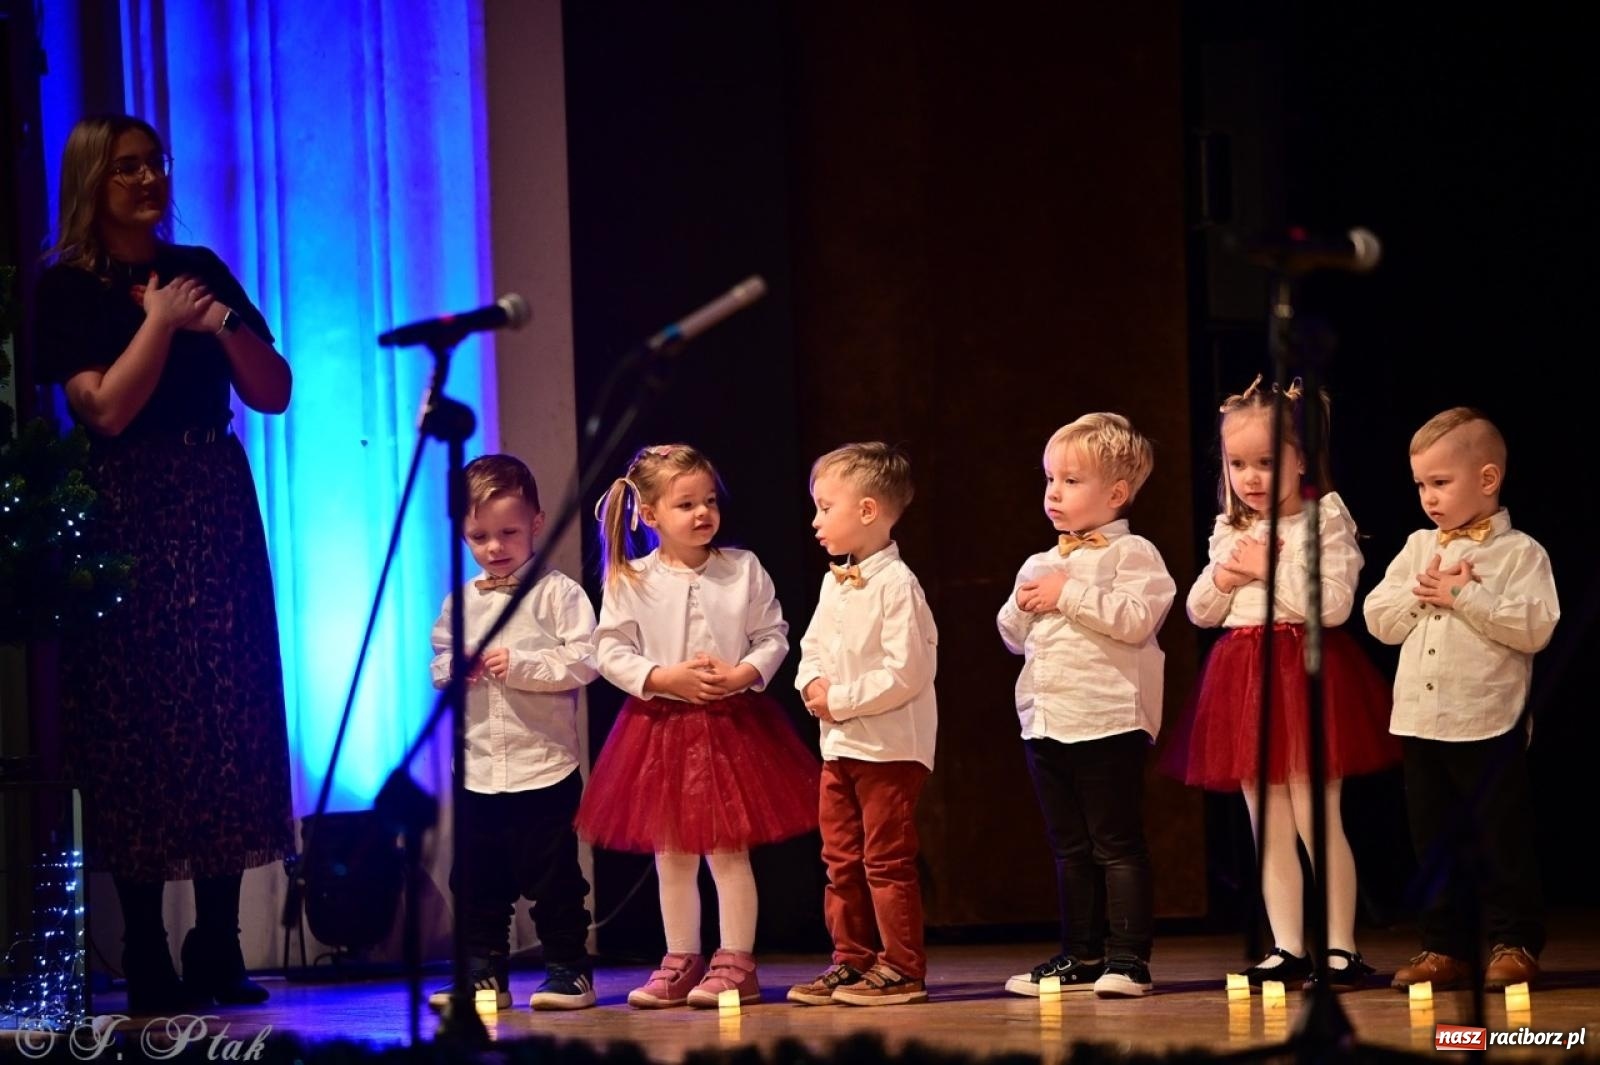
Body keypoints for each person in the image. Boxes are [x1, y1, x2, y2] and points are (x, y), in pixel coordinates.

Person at [30, 114, 294, 1012]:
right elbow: (103, 409)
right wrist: (159, 323)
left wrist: (215, 321)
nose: (149, 181)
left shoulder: (199, 267)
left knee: (229, 705)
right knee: (137, 715)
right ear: (92, 181)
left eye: (156, 164)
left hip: (212, 497)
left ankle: (217, 941)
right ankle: (145, 949)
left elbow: (273, 391)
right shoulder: (68, 287)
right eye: (128, 168)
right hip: (126, 507)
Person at [1170, 375, 1397, 991]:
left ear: (1302, 458)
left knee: (1315, 816)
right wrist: (1226, 577)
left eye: (1267, 463)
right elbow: (1199, 610)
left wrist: (1265, 569)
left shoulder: (1324, 519)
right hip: (1245, 678)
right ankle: (1288, 944)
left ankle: (1341, 946)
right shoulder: (1231, 527)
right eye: (1238, 463)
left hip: (1305, 675)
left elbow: (1331, 606)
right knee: (1265, 820)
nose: (1250, 477)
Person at [575, 443, 819, 1009]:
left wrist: (743, 674)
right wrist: (662, 677)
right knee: (673, 855)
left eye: (709, 500)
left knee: (728, 852)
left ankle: (736, 962)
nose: (703, 513)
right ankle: (681, 958)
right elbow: (609, 649)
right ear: (650, 514)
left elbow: (773, 635)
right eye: (686, 504)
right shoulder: (631, 578)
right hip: (660, 729)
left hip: (732, 726)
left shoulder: (742, 568)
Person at [1363, 408, 1558, 991]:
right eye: (1420, 484)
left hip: (1487, 720)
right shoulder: (1417, 545)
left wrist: (1465, 596)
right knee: (1433, 839)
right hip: (1420, 720)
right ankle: (1444, 948)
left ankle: (1513, 941)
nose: (1428, 497)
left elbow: (1536, 627)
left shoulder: (1521, 553)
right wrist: (1428, 594)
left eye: (1440, 482)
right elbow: (1378, 618)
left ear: (1488, 478)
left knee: (1501, 837)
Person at [997, 414, 1175, 998]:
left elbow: (1136, 619)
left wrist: (1066, 592)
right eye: (1050, 479)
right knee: (1069, 847)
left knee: (1115, 843)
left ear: (1116, 493)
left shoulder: (1134, 553)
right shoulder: (1040, 560)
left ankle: (1128, 959)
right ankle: (1082, 955)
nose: (1054, 492)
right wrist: (1025, 602)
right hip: (1047, 719)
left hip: (1109, 719)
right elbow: (1012, 636)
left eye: (1071, 481)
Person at [425, 454, 599, 1011]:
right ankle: (483, 974)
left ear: (536, 524)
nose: (494, 547)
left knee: (554, 877)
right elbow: (438, 660)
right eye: (479, 537)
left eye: (509, 533)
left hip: (543, 765)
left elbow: (587, 660)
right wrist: (455, 668)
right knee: (476, 879)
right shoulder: (460, 600)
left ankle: (568, 968)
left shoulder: (558, 593)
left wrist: (520, 665)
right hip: (478, 769)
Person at [787, 442, 938, 1008]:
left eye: (826, 507)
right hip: (840, 745)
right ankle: (851, 959)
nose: (816, 520)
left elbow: (907, 672)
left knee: (886, 860)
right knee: (841, 859)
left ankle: (901, 967)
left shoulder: (898, 585)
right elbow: (812, 646)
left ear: (868, 510)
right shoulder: (835, 582)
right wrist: (811, 685)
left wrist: (841, 699)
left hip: (889, 749)